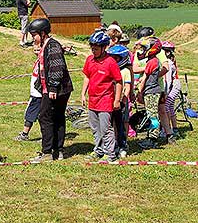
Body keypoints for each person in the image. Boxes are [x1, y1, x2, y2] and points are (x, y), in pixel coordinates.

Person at [28, 18, 73, 161]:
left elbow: (57, 67)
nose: (33, 38)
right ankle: (58, 150)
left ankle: (47, 153)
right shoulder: (47, 45)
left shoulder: (52, 46)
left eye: (34, 34)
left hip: (55, 89)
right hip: (56, 88)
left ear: (42, 33)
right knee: (57, 118)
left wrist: (52, 87)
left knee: (45, 117)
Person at [82, 31, 122, 161]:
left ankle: (110, 154)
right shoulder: (89, 60)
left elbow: (118, 81)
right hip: (92, 100)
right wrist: (83, 94)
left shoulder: (110, 62)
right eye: (92, 48)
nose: (93, 50)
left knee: (106, 128)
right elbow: (87, 77)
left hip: (105, 100)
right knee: (95, 127)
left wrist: (117, 100)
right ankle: (98, 150)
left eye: (96, 48)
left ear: (104, 48)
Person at [133, 27, 176, 144]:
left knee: (161, 110)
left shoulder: (159, 51)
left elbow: (166, 67)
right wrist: (147, 70)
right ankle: (153, 133)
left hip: (157, 86)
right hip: (146, 85)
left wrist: (153, 74)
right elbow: (134, 68)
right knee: (150, 112)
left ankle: (168, 134)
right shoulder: (139, 53)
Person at [136, 37, 165, 149]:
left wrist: (139, 92)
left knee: (152, 115)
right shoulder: (152, 61)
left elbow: (144, 78)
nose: (142, 51)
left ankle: (153, 139)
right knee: (150, 114)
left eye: (144, 48)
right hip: (151, 91)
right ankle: (150, 137)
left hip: (152, 92)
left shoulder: (152, 61)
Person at [107, 44, 132, 157]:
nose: (113, 60)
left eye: (116, 58)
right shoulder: (110, 69)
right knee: (111, 124)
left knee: (121, 123)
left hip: (121, 101)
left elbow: (127, 86)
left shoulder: (125, 71)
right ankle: (114, 144)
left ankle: (122, 144)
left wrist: (124, 99)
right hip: (110, 100)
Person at [14, 43, 42, 141]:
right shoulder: (38, 60)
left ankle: (25, 134)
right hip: (35, 93)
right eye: (35, 49)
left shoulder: (43, 61)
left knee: (30, 114)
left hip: (38, 94)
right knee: (39, 115)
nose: (36, 51)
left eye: (39, 49)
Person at [162, 41, 180, 136]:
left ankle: (167, 129)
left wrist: (166, 92)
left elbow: (168, 80)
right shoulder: (172, 61)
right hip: (176, 85)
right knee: (171, 107)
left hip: (172, 87)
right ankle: (175, 127)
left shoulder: (168, 63)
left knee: (166, 108)